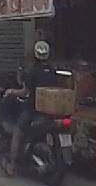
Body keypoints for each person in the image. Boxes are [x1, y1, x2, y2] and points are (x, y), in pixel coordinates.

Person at [4, 40, 58, 177]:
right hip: (50, 111)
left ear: (35, 55)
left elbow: (25, 92)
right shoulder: (52, 71)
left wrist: (11, 91)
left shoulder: (34, 71)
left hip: (33, 110)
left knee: (17, 132)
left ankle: (12, 165)